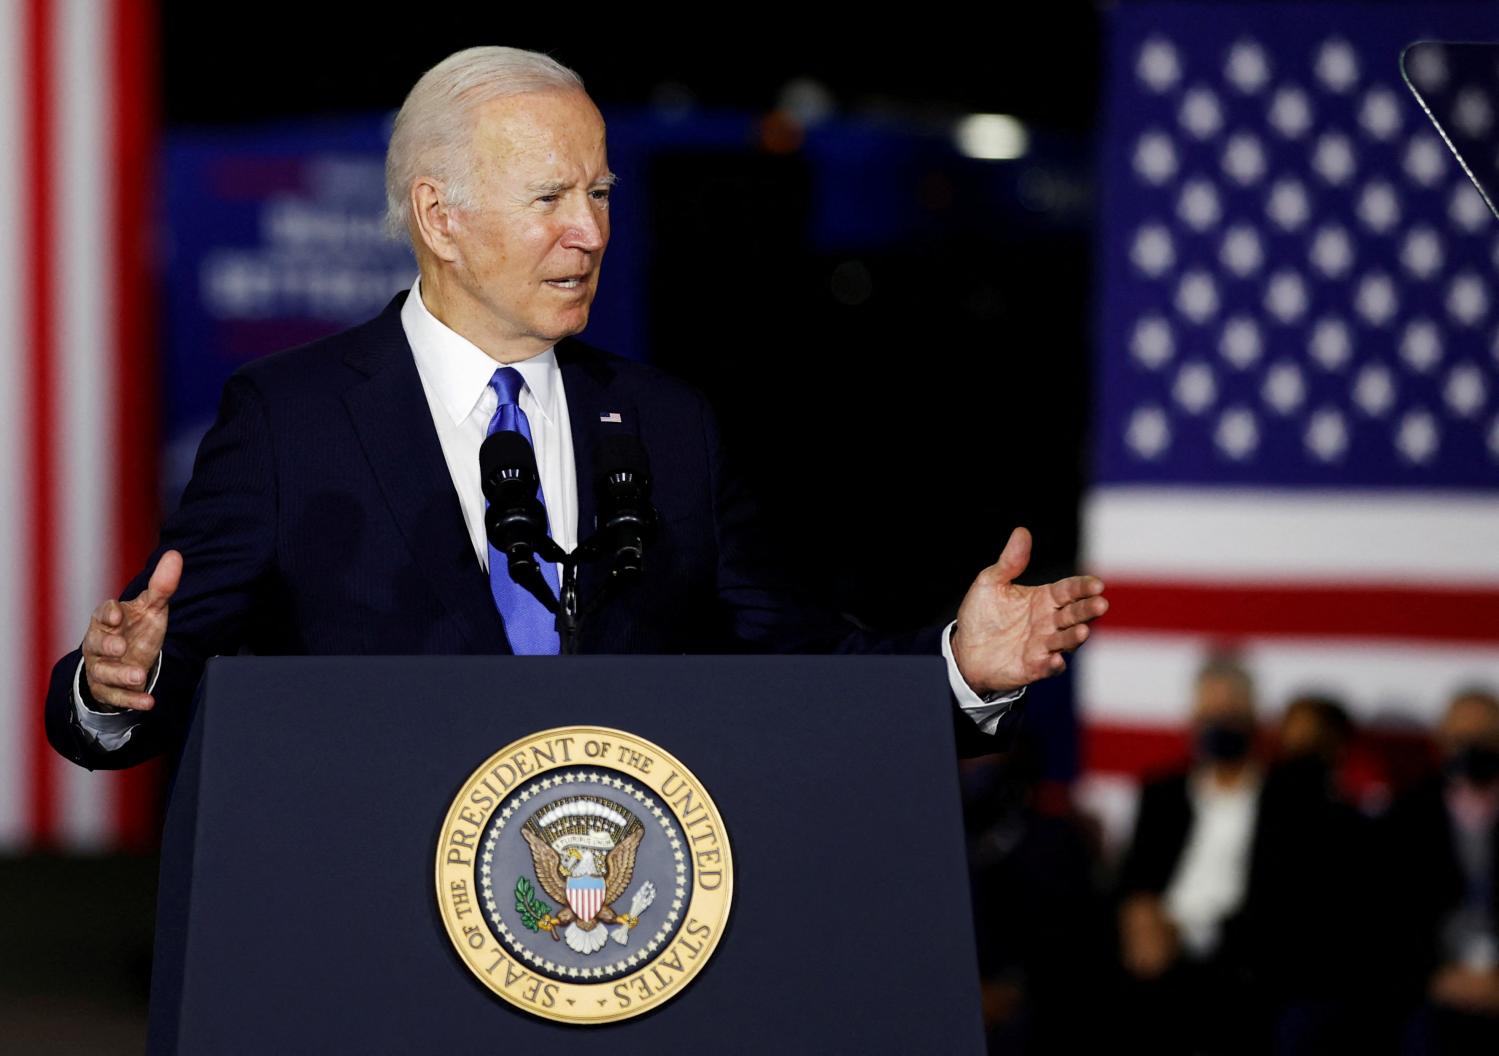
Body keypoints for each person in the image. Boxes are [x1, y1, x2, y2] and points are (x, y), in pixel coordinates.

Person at [45, 46, 1108, 772]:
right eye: (549, 198)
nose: (589, 234)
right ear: (440, 217)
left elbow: (794, 665)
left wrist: (955, 669)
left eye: (597, 195)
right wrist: (111, 683)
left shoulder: (664, 424)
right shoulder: (290, 420)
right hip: (370, 945)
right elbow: (141, 683)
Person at [1382, 689, 1499, 1052]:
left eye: (1484, 738)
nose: (1471, 748)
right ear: (1441, 741)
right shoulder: (1406, 816)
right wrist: (1434, 979)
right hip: (1431, 988)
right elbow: (1388, 916)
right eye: (1461, 738)